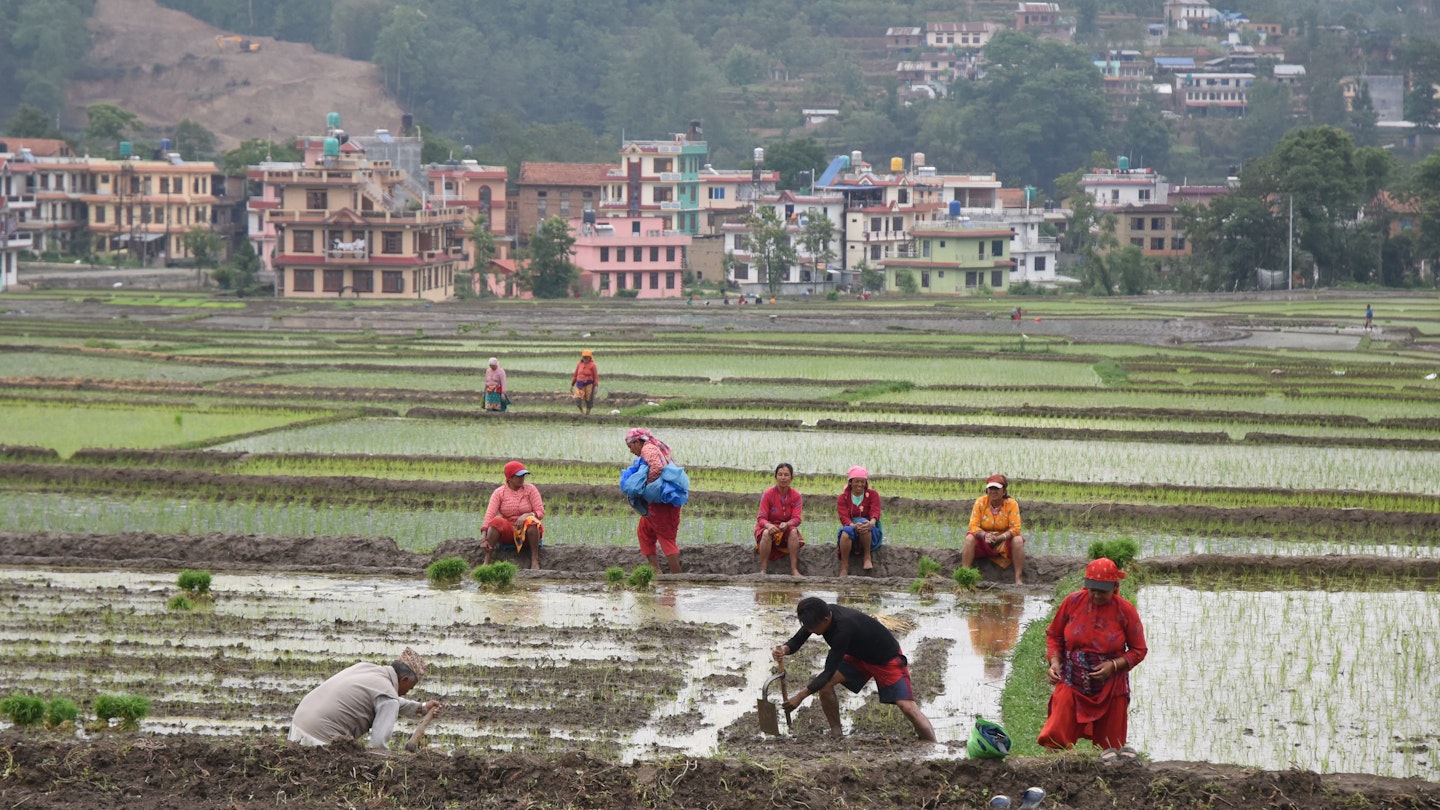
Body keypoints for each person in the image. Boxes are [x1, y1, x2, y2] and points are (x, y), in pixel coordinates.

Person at [772, 597, 936, 742]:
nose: (811, 632)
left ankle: (932, 745)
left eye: (813, 628)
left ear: (826, 619)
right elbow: (798, 639)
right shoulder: (820, 614)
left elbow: (828, 671)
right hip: (858, 656)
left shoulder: (843, 628)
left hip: (885, 659)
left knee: (907, 707)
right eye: (808, 627)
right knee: (825, 686)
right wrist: (785, 649)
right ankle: (837, 735)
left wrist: (800, 696)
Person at [1038, 558, 1147, 759]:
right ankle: (1051, 769)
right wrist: (1055, 662)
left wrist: (1114, 665)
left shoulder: (1125, 611)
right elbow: (1054, 635)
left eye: (1102, 591)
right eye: (1092, 590)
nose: (1096, 595)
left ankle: (1106, 776)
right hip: (1071, 679)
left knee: (1110, 747)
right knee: (1056, 733)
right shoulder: (1072, 602)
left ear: (1114, 587)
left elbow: (1138, 650)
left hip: (1111, 686)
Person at [289, 647, 441, 749]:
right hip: (318, 741)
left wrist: (421, 708)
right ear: (404, 679)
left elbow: (382, 699)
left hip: (297, 728)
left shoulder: (366, 668)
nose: (408, 692)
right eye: (410, 687)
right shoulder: (388, 697)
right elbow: (378, 745)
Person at [626, 428, 682, 574]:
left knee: (666, 538)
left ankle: (676, 577)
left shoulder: (648, 449)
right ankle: (655, 570)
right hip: (657, 501)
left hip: (664, 503)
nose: (631, 451)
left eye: (630, 446)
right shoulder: (654, 447)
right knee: (644, 532)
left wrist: (645, 487)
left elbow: (657, 468)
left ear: (637, 442)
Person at [961, 474, 1027, 585]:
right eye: (990, 488)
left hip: (1003, 541)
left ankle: (1018, 578)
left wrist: (1000, 537)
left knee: (1018, 540)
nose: (993, 491)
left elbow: (1016, 528)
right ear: (987, 490)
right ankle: (965, 573)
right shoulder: (980, 502)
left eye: (996, 488)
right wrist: (985, 535)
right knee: (969, 538)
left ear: (1004, 491)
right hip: (984, 540)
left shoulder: (1011, 504)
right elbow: (973, 525)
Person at [480, 460, 545, 570]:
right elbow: (489, 516)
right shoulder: (499, 493)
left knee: (531, 520)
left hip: (528, 532)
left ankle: (535, 560)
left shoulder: (530, 489)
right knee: (496, 521)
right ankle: (487, 560)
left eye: (523, 476)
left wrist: (528, 515)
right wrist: (483, 537)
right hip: (509, 531)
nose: (522, 478)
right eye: (518, 476)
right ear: (509, 478)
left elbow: (540, 512)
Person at [756, 462, 803, 576]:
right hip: (769, 526)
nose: (783, 478)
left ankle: (794, 569)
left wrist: (787, 524)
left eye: (786, 475)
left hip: (786, 527)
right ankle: (763, 569)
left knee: (793, 532)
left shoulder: (796, 496)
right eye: (780, 474)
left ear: (791, 478)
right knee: (766, 533)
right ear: (776, 477)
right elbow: (761, 518)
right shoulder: (768, 494)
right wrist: (768, 525)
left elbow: (797, 518)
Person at [836, 466, 882, 576]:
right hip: (851, 525)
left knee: (863, 524)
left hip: (870, 528)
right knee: (845, 533)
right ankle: (844, 566)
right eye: (856, 481)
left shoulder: (872, 495)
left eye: (862, 482)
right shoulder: (843, 498)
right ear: (850, 482)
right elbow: (844, 517)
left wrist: (871, 523)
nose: (860, 484)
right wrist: (853, 525)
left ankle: (867, 556)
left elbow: (875, 511)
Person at [571, 350, 599, 416]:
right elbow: (575, 375)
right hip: (580, 385)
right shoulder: (579, 364)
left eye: (587, 357)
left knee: (589, 402)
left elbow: (595, 377)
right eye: (584, 357)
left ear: (590, 357)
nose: (585, 359)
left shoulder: (593, 365)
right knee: (577, 400)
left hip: (589, 385)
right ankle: (582, 412)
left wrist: (596, 386)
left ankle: (587, 415)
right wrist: (572, 385)